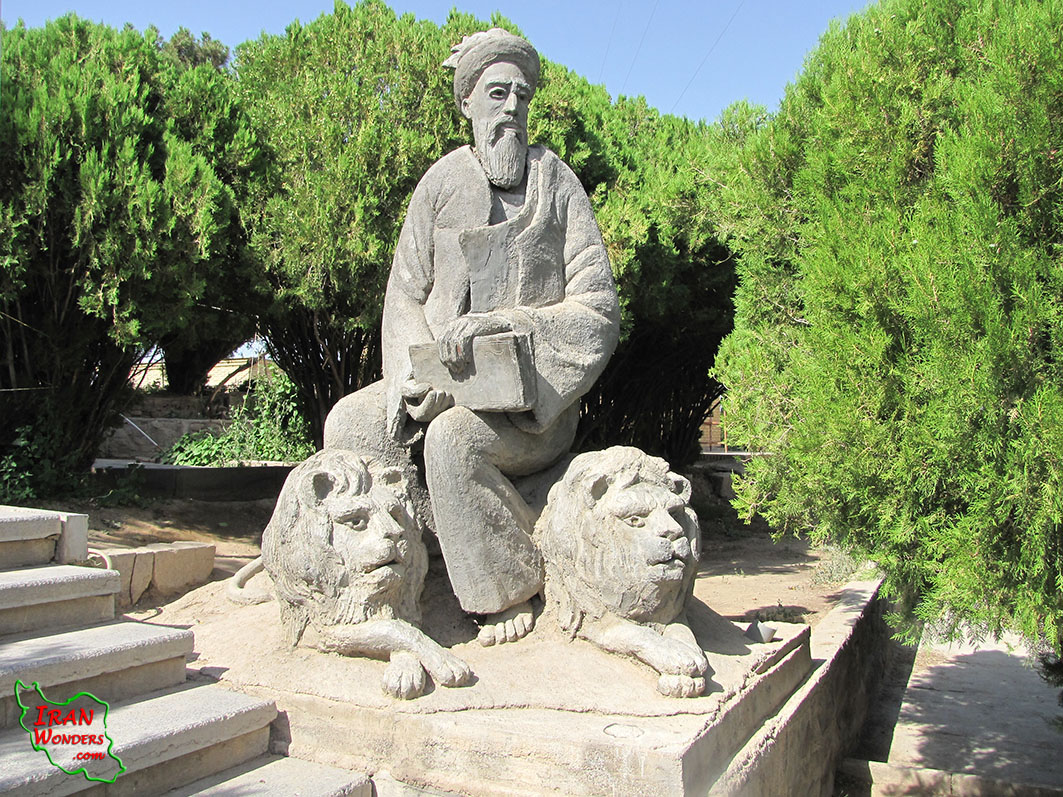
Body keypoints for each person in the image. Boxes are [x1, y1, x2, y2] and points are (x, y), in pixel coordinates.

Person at [324, 28, 619, 646]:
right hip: (440, 383)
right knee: (348, 425)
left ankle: (505, 587)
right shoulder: (440, 184)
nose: (511, 108)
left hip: (529, 410)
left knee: (455, 440)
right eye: (496, 94)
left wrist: (510, 325)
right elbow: (404, 293)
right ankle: (391, 571)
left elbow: (597, 310)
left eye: (521, 95)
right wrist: (414, 378)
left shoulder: (557, 184)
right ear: (467, 104)